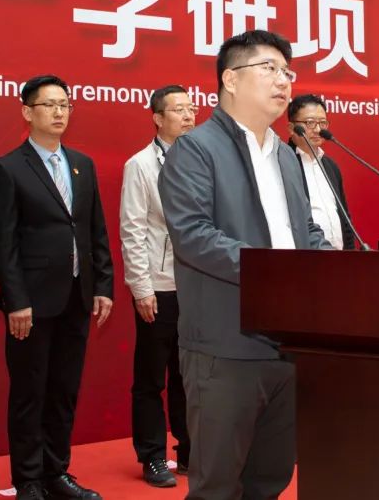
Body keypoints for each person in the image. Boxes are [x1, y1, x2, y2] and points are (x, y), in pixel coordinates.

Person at [159, 30, 333, 500]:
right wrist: (277, 272)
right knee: (217, 486)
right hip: (226, 346)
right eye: (269, 69)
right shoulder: (195, 149)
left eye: (287, 72)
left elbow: (304, 231)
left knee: (269, 479)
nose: (283, 81)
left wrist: (335, 269)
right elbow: (193, 235)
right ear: (230, 79)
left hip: (288, 345)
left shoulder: (286, 155)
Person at [0, 75, 114, 500]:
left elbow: (95, 230)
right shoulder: (9, 168)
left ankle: (56, 473)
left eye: (65, 105)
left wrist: (103, 285)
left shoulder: (82, 164)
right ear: (27, 111)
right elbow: (2, 243)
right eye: (50, 105)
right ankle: (28, 480)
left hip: (77, 296)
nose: (59, 112)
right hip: (32, 303)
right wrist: (16, 301)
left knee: (63, 390)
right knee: (30, 393)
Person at [120, 85, 195, 487]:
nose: (188, 116)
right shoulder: (140, 165)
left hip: (196, 286)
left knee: (190, 375)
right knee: (152, 378)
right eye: (179, 110)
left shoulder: (203, 160)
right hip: (160, 286)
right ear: (158, 118)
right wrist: (141, 288)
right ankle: (151, 455)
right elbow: (132, 229)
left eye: (191, 108)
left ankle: (189, 450)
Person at [286, 93, 356, 250]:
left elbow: (345, 218)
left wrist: (350, 255)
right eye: (310, 123)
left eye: (323, 123)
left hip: (338, 257)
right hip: (303, 256)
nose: (318, 129)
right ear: (291, 128)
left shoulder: (330, 166)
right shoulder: (284, 163)